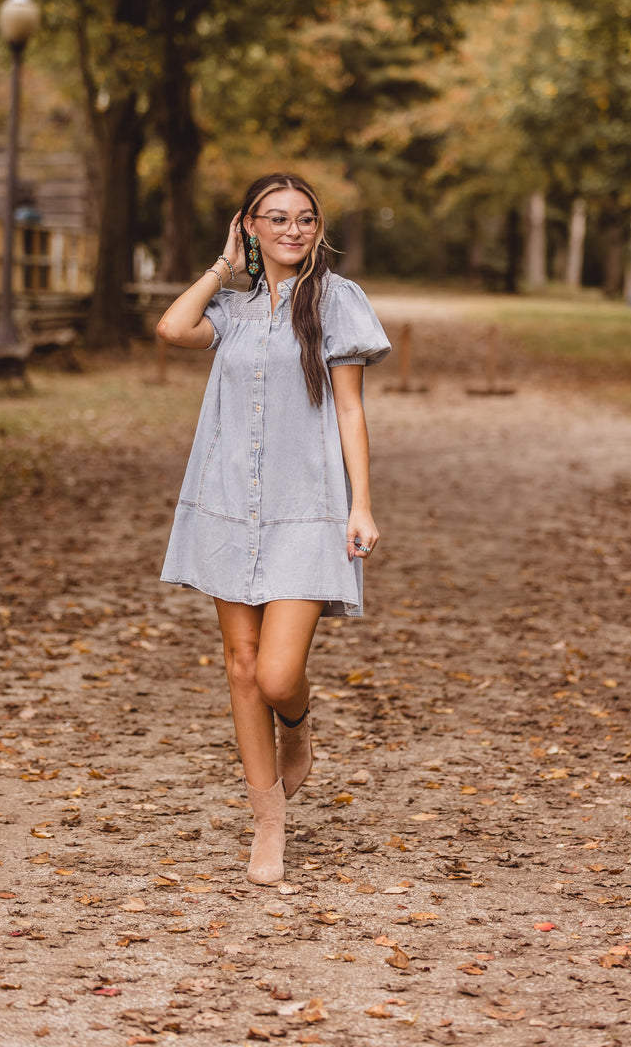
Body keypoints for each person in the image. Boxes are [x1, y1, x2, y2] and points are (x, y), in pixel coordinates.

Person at [157, 173, 390, 885]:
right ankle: (269, 823)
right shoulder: (229, 310)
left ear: (319, 230)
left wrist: (362, 505)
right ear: (249, 225)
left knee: (277, 673)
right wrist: (223, 267)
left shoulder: (337, 302)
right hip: (229, 504)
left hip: (304, 509)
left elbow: (349, 410)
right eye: (277, 218)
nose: (294, 229)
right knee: (239, 667)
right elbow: (172, 329)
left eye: (306, 219)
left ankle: (297, 727)